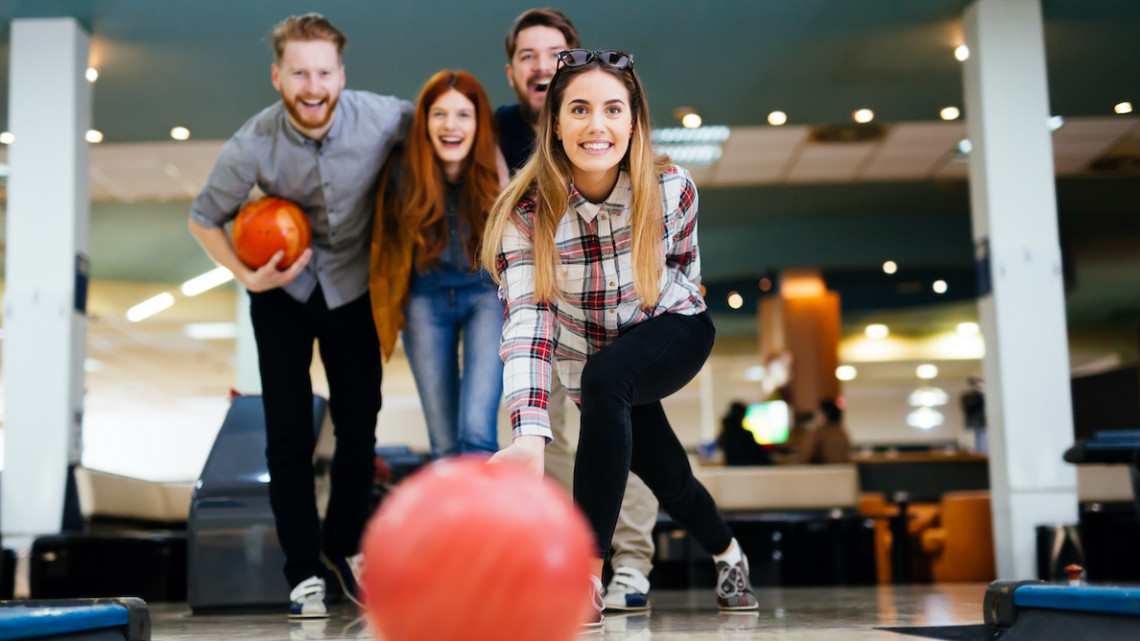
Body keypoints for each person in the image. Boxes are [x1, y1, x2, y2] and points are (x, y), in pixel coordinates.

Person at [482, 48, 759, 625]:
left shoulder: (671, 188)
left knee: (607, 377)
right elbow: (527, 326)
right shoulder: (523, 215)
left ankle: (585, 576)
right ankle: (731, 554)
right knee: (669, 476)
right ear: (554, 123)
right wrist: (529, 434)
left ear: (633, 122)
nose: (596, 125)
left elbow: (684, 268)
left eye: (613, 109)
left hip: (672, 329)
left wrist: (645, 343)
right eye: (579, 109)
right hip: (592, 358)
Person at [188, 14, 412, 618]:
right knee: (287, 434)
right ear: (277, 77)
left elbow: (445, 129)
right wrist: (246, 275)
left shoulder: (384, 116)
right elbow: (203, 218)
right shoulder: (252, 143)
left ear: (341, 74)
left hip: (355, 287)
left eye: (323, 72)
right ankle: (303, 571)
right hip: (281, 290)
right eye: (298, 73)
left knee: (359, 425)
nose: (312, 86)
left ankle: (344, 549)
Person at [495, 8, 659, 612]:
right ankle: (566, 565)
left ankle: (631, 563)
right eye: (528, 55)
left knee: (626, 430)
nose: (541, 64)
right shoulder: (500, 140)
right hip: (546, 308)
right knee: (540, 436)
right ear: (512, 69)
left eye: (554, 52)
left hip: (618, 316)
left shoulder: (641, 167)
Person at [369, 70, 504, 459]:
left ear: (479, 124)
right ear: (424, 122)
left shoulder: (495, 170)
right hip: (424, 297)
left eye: (464, 114)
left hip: (484, 295)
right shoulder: (402, 170)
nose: (451, 125)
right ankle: (453, 522)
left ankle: (483, 522)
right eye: (439, 114)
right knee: (444, 442)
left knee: (477, 432)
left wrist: (500, 172)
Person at [718, 401, 773, 466]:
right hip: (752, 471)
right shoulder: (745, 435)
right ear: (741, 416)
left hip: (733, 472)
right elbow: (760, 457)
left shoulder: (724, 435)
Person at [800, 398, 853, 464]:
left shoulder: (819, 432)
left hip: (824, 472)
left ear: (824, 415)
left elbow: (806, 457)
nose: (815, 418)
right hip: (846, 472)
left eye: (817, 414)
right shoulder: (842, 432)